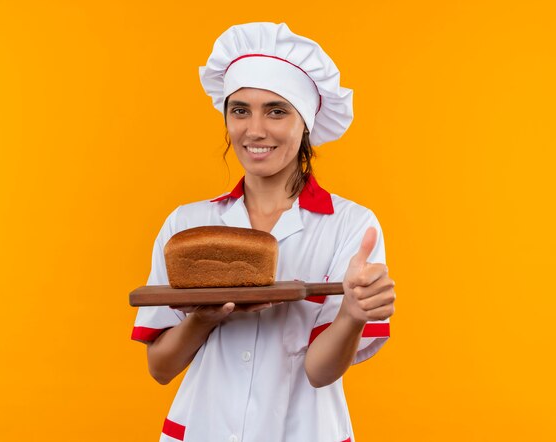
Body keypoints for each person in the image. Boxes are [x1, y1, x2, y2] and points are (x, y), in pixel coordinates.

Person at [131, 22, 396, 442]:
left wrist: (351, 314)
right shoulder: (186, 226)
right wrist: (203, 318)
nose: (255, 130)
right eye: (240, 110)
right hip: (203, 429)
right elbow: (160, 368)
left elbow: (319, 371)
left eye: (276, 110)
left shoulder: (350, 224)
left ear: (305, 122)